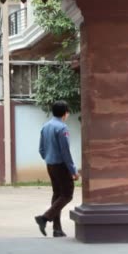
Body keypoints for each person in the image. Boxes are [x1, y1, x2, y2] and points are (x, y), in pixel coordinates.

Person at [35, 100, 78, 238]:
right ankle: (44, 218)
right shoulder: (62, 128)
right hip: (61, 166)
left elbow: (41, 149)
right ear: (65, 113)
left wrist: (48, 158)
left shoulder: (45, 126)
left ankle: (57, 229)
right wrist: (73, 170)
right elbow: (65, 152)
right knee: (67, 195)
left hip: (50, 165)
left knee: (57, 195)